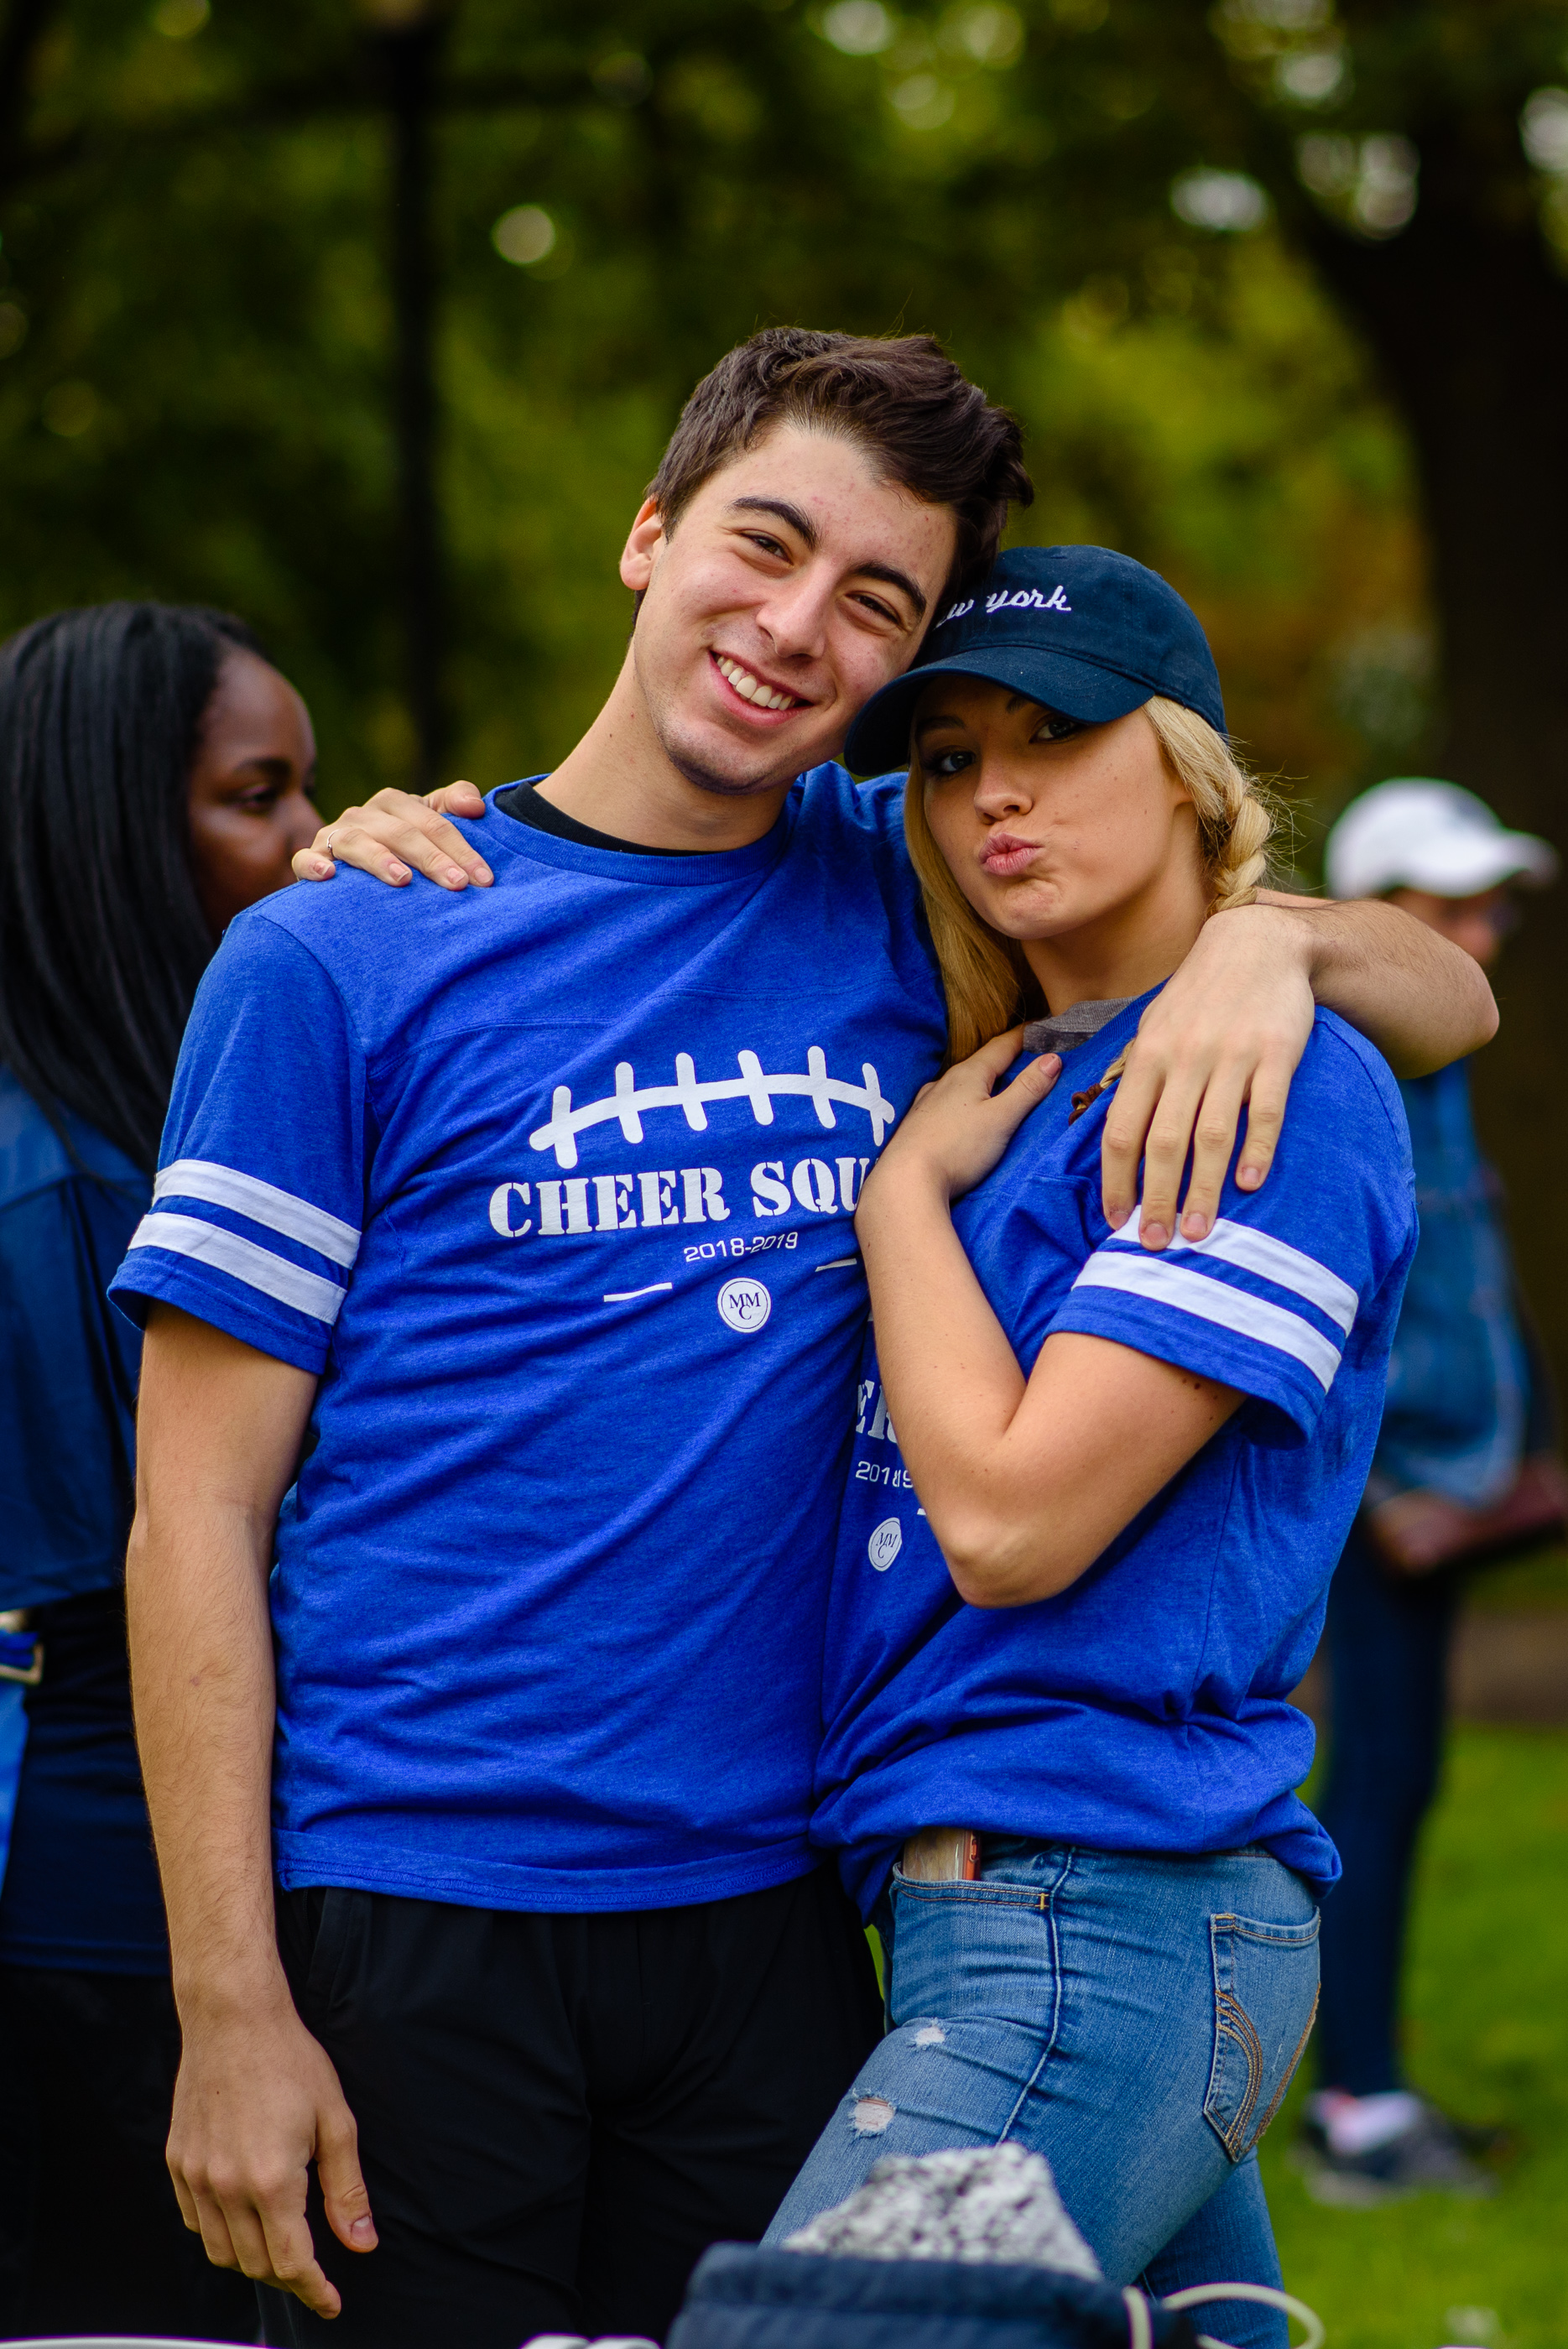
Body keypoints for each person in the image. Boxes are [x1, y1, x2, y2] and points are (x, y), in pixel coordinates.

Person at [111, 330, 1494, 2349]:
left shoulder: (914, 877)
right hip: (418, 1902)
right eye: (762, 546)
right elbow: (190, 1510)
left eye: (874, 604)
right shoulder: (346, 944)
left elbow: (1443, 1005)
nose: (793, 629)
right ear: (648, 531)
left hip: (784, 1915)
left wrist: (1266, 943)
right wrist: (225, 2003)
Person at [742, 546, 1414, 2349]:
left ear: (1185, 763)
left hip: (1092, 1914)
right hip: (1007, 1912)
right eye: (946, 758)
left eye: (1053, 730)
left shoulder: (1257, 1085)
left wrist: (898, 1206)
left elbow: (1013, 1521)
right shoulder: (1023, 1078)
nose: (994, 791)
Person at [0, 601, 320, 2337]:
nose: (309, 843)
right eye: (255, 796)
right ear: (117, 824)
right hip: (106, 1952)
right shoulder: (69, 1194)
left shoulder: (155, 1133)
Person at [1295, 779, 1559, 2203]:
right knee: (1371, 1793)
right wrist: (1388, 1481)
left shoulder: (1438, 1057)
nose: (1480, 933)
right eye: (1448, 904)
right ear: (1373, 907)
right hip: (1379, 1501)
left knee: (1406, 1780)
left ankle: (1372, 2083)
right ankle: (1357, 2116)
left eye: (1489, 905)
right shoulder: (1349, 1059)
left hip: (1447, 1488)